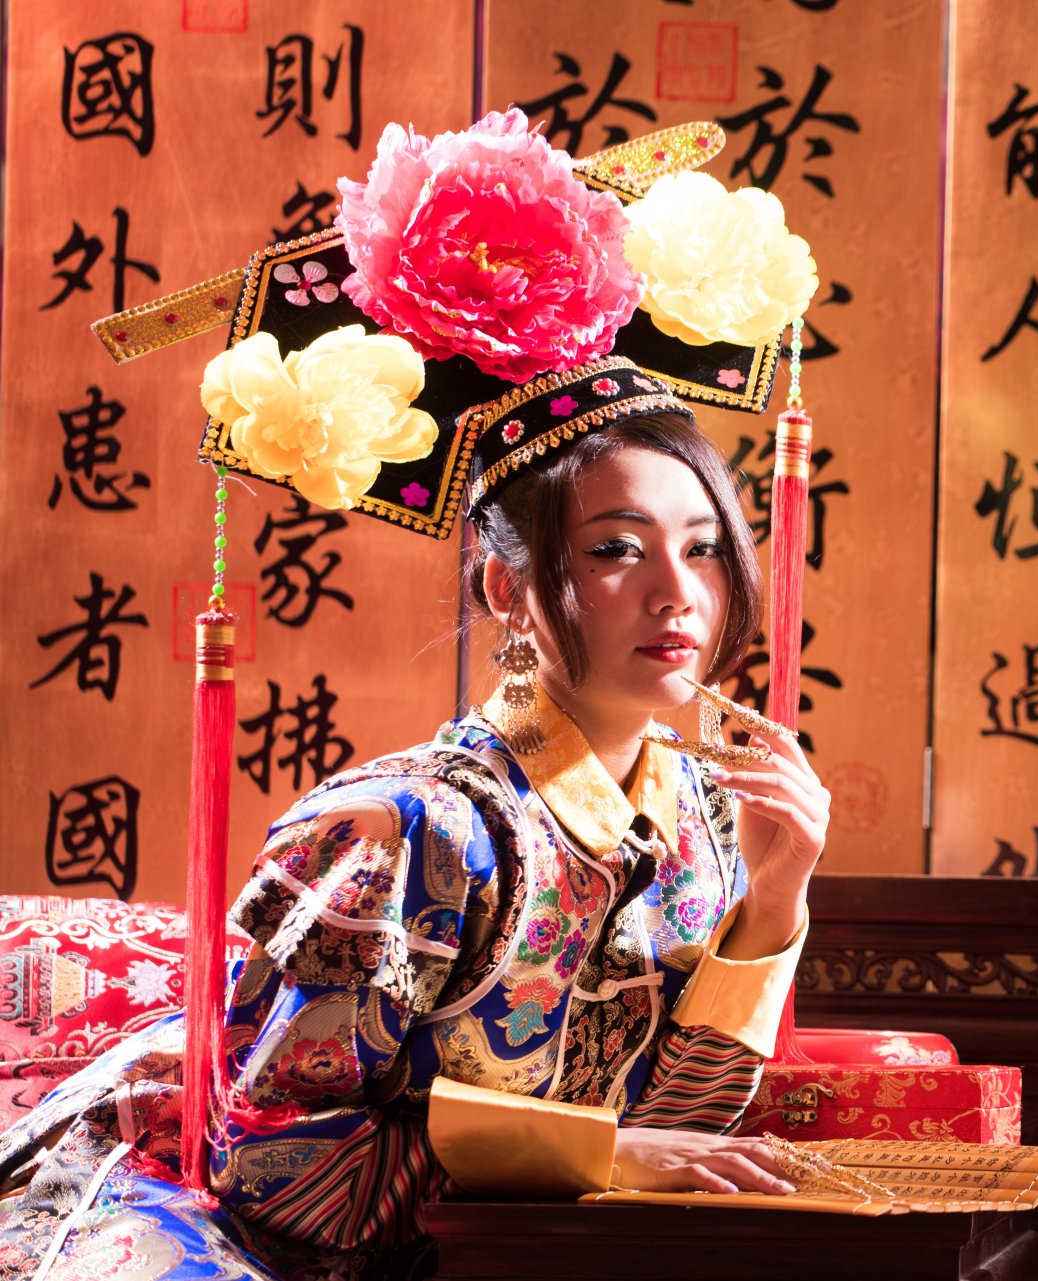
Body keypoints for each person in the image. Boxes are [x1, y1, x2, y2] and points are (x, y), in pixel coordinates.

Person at [0, 110, 828, 1280]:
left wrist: (776, 900)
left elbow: (680, 1138)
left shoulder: (700, 820)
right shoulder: (399, 833)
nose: (676, 594)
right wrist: (592, 1159)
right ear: (509, 584)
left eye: (702, 549)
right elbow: (281, 1161)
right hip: (229, 1236)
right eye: (615, 550)